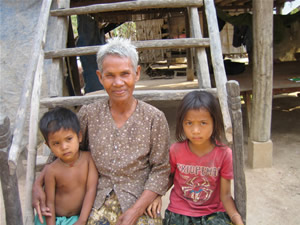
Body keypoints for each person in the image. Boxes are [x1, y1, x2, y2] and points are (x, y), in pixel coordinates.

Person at [32, 37, 171, 225]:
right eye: (110, 75)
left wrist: (136, 211)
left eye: (125, 74)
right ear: (99, 77)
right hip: (95, 201)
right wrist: (37, 184)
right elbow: (62, 152)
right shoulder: (89, 114)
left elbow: (160, 170)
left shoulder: (155, 118)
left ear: (137, 74)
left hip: (138, 198)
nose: (118, 82)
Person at [147, 91, 244, 225]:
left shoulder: (224, 154)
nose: (196, 130)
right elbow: (168, 178)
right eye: (189, 123)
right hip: (180, 212)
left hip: (213, 213)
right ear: (182, 123)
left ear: (214, 123)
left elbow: (226, 195)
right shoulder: (175, 150)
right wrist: (157, 195)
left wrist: (236, 218)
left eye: (203, 123)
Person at [35, 107, 98, 225]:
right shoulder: (51, 170)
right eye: (56, 143)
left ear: (79, 136)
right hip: (53, 219)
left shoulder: (89, 160)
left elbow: (91, 189)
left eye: (69, 139)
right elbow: (50, 203)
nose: (64, 147)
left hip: (79, 217)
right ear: (48, 146)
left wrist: (82, 220)